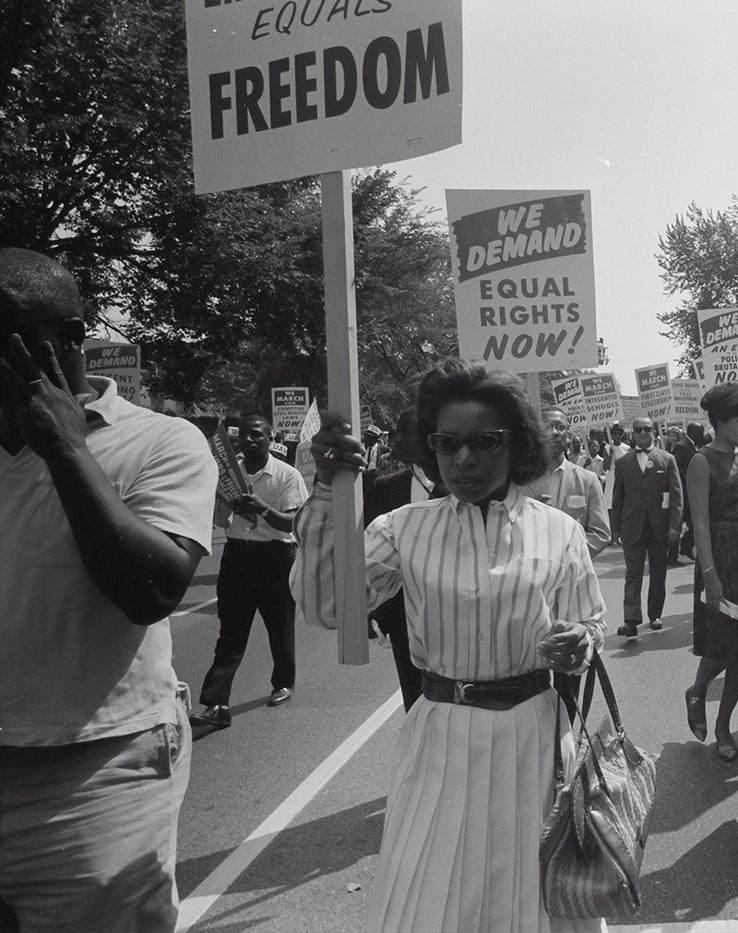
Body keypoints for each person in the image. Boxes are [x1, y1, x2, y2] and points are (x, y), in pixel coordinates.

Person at [293, 359, 604, 932]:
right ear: (429, 446)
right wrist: (323, 493)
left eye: (485, 442)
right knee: (430, 896)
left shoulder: (560, 531)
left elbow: (589, 624)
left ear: (517, 445)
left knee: (531, 898)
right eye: (447, 442)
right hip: (440, 733)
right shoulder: (402, 527)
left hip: (533, 737)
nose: (464, 459)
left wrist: (577, 642)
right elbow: (327, 606)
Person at [0, 248, 217, 931]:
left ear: (65, 340)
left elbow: (150, 590)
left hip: (94, 775)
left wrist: (65, 448)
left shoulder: (161, 442)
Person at [190, 413, 308, 728]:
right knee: (231, 632)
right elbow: (219, 522)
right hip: (238, 557)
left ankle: (284, 682)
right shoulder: (228, 476)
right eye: (244, 435)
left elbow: (294, 523)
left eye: (257, 435)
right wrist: (226, 506)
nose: (250, 440)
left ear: (270, 438)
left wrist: (263, 510)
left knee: (279, 626)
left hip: (276, 558)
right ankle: (216, 703)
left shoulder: (287, 475)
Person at [685, 382, 738, 762]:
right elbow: (700, 522)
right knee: (722, 645)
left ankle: (723, 725)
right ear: (718, 422)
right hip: (720, 559)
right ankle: (698, 688)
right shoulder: (701, 461)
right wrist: (711, 575)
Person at [364, 406, 439, 712]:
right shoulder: (384, 488)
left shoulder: (467, 487)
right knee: (417, 704)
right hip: (405, 620)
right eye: (394, 432)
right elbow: (368, 557)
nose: (395, 439)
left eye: (405, 431)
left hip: (456, 614)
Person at [610, 415, 683, 637]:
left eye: (647, 429)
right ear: (632, 433)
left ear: (654, 432)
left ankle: (655, 615)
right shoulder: (623, 462)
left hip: (659, 526)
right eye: (638, 429)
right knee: (633, 573)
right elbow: (617, 497)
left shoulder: (667, 459)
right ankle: (631, 619)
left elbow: (677, 496)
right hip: (632, 526)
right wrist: (615, 528)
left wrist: (675, 526)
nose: (643, 433)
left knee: (658, 573)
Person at [521, 404, 612, 558]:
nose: (554, 432)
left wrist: (566, 556)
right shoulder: (517, 480)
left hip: (573, 573)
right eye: (546, 426)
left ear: (568, 434)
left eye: (560, 427)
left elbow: (600, 534)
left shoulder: (587, 480)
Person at [669, 420, 705, 563]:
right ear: (693, 432)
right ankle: (673, 556)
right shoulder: (682, 446)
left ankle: (686, 547)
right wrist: (690, 477)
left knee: (695, 523)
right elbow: (676, 468)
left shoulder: (691, 445)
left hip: (690, 493)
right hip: (683, 493)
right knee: (678, 525)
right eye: (700, 432)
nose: (702, 435)